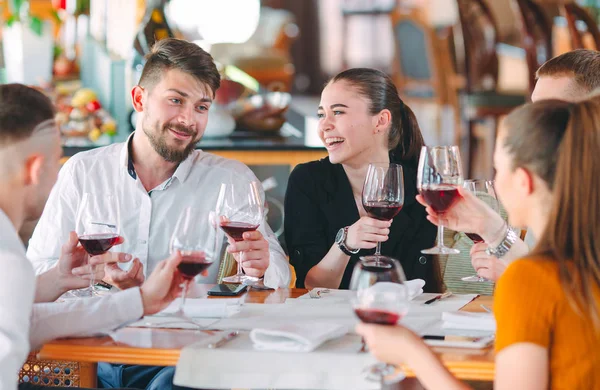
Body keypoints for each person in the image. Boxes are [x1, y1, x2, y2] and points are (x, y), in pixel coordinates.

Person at [27, 38, 290, 389]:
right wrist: (73, 276)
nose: (188, 119)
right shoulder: (83, 172)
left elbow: (277, 273)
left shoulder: (231, 179)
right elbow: (32, 278)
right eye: (175, 100)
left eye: (201, 107)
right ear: (140, 99)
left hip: (179, 359)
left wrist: (261, 265)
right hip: (87, 353)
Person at [358, 97, 600, 389]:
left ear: (524, 182)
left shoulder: (529, 281)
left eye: (498, 171)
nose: (495, 183)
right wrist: (491, 226)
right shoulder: (584, 264)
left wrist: (412, 352)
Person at [0, 84, 188, 390]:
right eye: (57, 160)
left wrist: (140, 300)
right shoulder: (7, 261)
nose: (59, 171)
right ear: (35, 169)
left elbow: (28, 320)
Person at [421, 49, 600, 282]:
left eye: (546, 112)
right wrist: (494, 232)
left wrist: (518, 276)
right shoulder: (550, 183)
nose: (529, 122)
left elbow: (576, 300)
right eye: (532, 108)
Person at [284, 68, 441, 291]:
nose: (324, 125)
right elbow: (311, 286)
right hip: (327, 320)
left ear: (380, 121)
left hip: (409, 319)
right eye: (321, 114)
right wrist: (345, 244)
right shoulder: (308, 182)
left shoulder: (421, 187)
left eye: (338, 112)